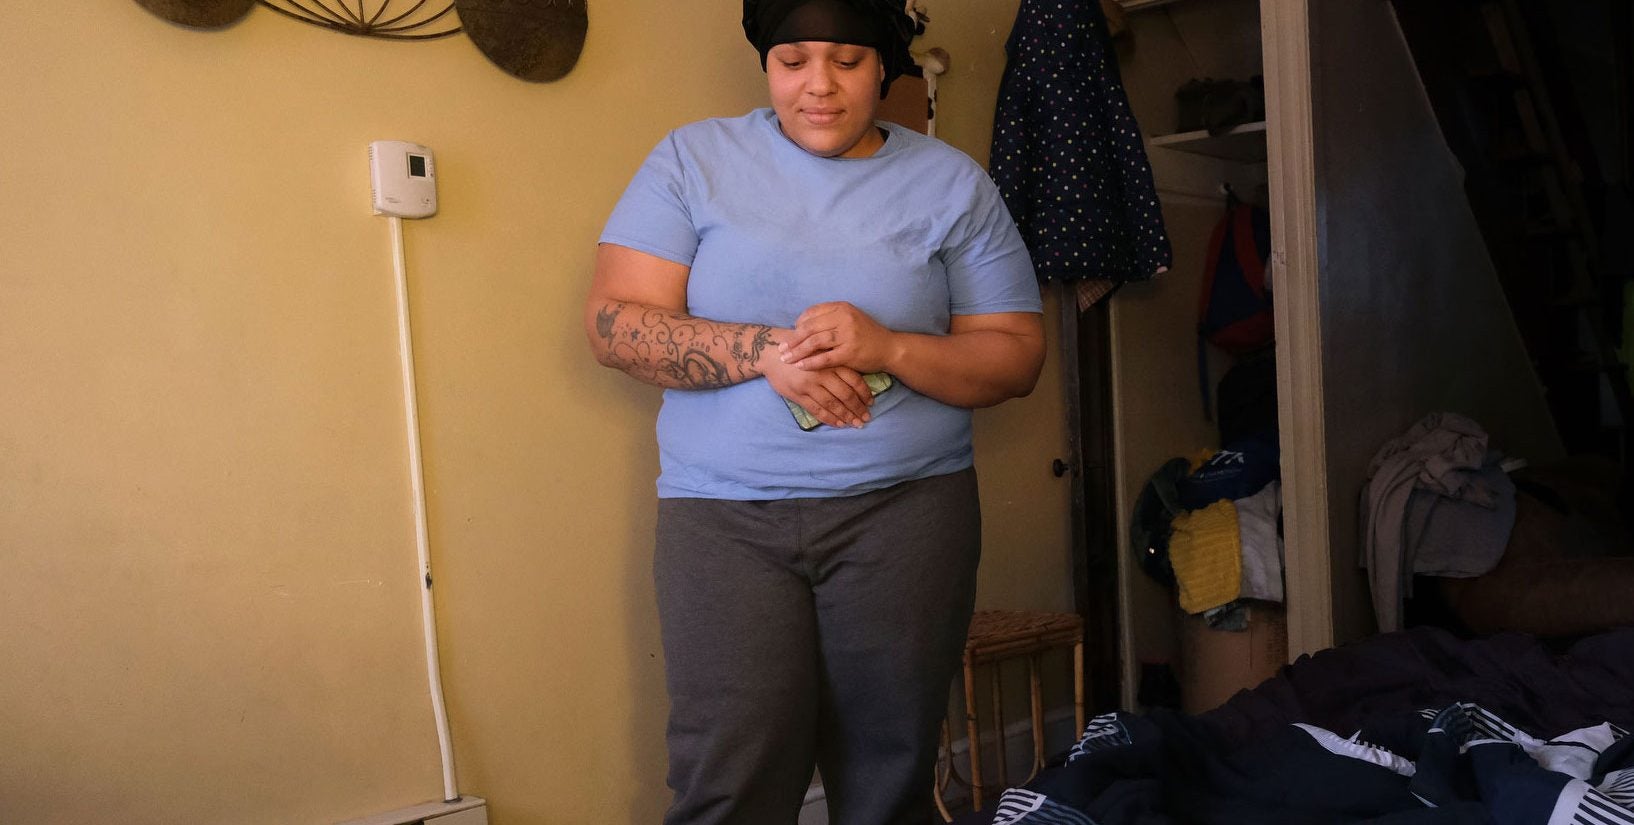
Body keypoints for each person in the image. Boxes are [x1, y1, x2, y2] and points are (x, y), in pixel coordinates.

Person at [584, 1, 1045, 822]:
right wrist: (766, 351)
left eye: (847, 60)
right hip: (724, 521)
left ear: (884, 67)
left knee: (888, 772)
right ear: (767, 64)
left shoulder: (951, 183)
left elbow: (1016, 355)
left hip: (908, 516)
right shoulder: (693, 160)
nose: (819, 87)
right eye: (793, 60)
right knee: (730, 773)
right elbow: (614, 324)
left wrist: (890, 347)